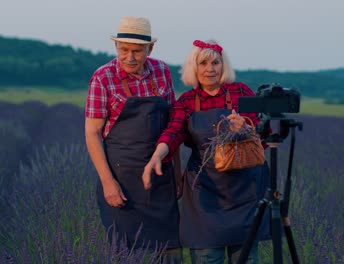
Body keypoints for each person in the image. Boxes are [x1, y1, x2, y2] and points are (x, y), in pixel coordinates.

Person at [142, 39, 270, 264]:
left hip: (245, 189)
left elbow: (265, 129)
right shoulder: (187, 101)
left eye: (215, 63)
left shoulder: (241, 92)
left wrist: (248, 126)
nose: (210, 69)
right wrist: (156, 157)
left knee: (246, 257)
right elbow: (173, 133)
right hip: (206, 193)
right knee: (206, 256)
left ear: (223, 66)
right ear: (194, 67)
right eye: (203, 63)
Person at [84, 16, 182, 262]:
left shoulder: (161, 71)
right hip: (122, 179)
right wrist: (108, 182)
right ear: (116, 47)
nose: (130, 57)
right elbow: (92, 133)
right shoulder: (103, 77)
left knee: (170, 251)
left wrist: (177, 175)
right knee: (124, 252)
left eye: (137, 51)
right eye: (123, 49)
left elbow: (173, 126)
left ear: (150, 49)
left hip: (160, 177)